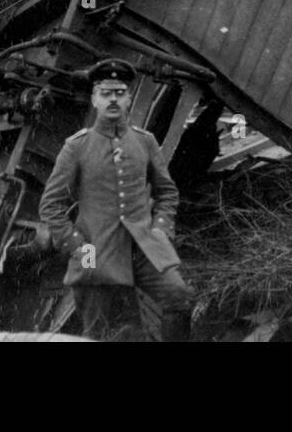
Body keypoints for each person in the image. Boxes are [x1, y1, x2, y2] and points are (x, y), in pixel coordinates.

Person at [39, 57, 193, 341]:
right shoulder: (77, 146)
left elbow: (167, 192)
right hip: (95, 250)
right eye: (105, 93)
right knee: (98, 332)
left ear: (128, 100)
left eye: (119, 94)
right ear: (94, 100)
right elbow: (50, 205)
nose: (113, 100)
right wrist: (77, 246)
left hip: (143, 248)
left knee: (179, 297)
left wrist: (161, 228)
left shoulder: (145, 141)